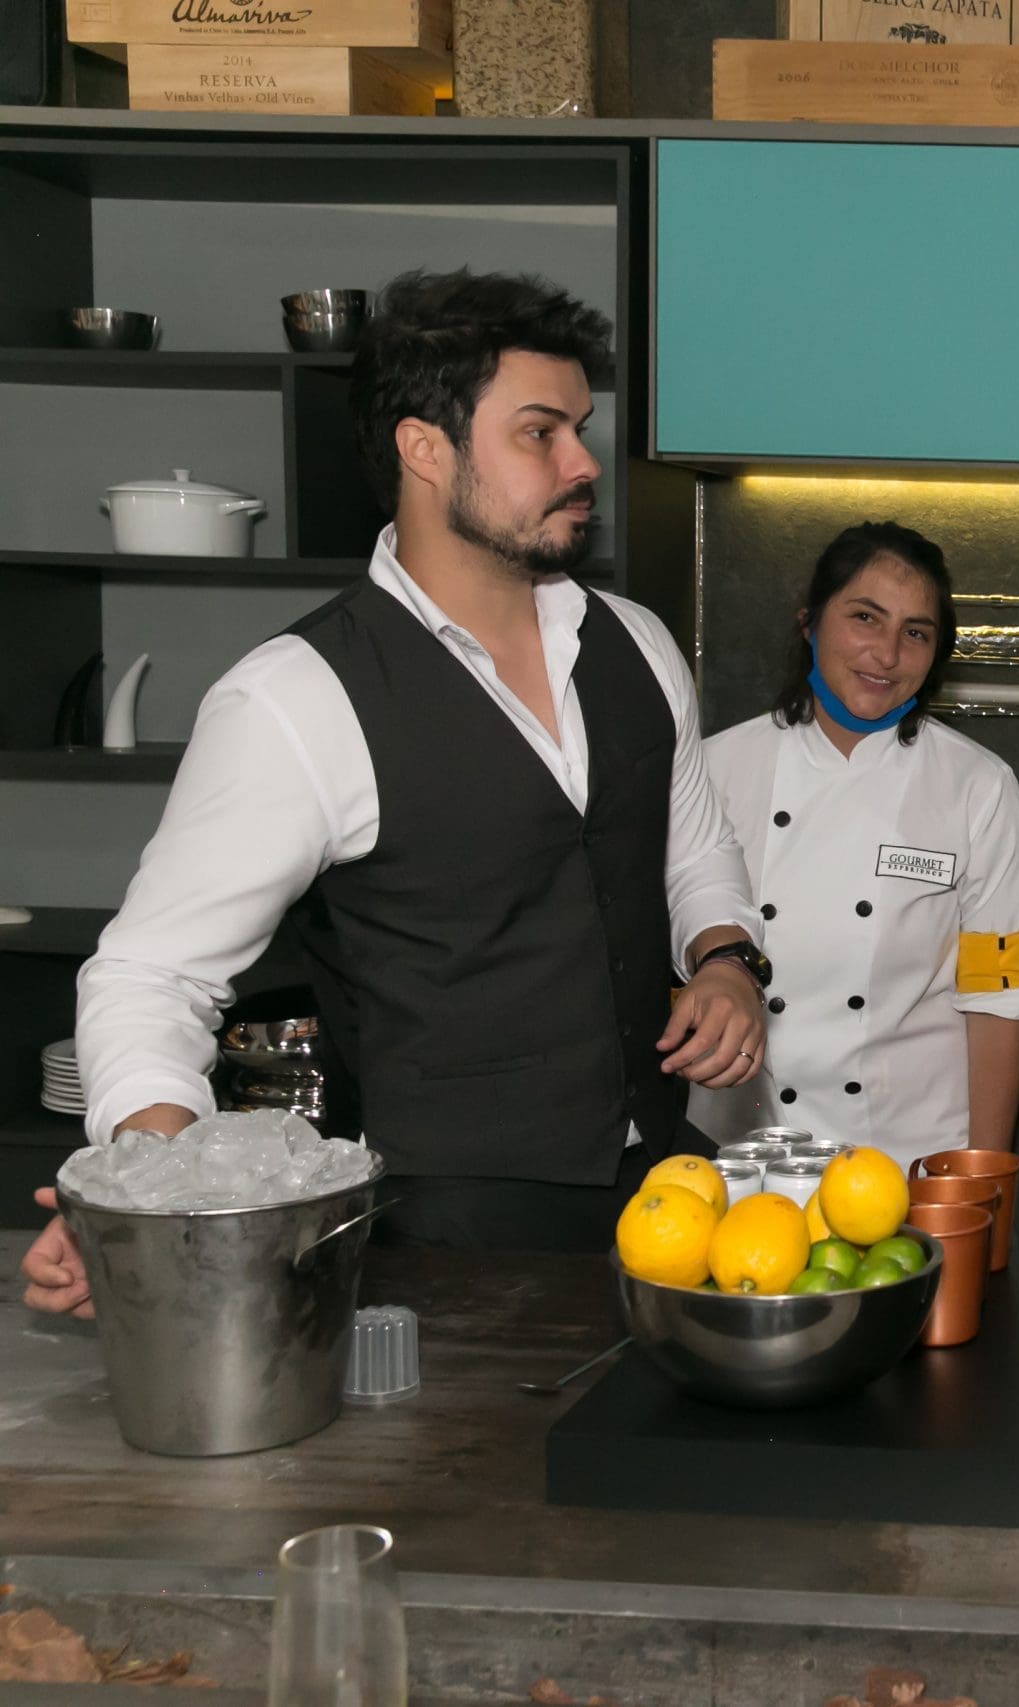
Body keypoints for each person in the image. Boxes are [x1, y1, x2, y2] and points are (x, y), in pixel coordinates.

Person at [19, 268, 767, 1315]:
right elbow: (150, 975)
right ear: (425, 448)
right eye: (540, 433)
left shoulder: (636, 644)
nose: (582, 463)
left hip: (670, 1189)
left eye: (580, 429)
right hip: (444, 1231)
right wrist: (152, 1197)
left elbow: (693, 846)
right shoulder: (296, 698)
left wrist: (727, 960)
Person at [689, 522, 1019, 1166]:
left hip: (908, 1158)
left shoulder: (978, 789)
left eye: (916, 633)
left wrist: (983, 1182)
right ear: (809, 623)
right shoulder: (715, 771)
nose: (886, 654)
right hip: (738, 1154)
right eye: (864, 617)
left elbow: (996, 1001)